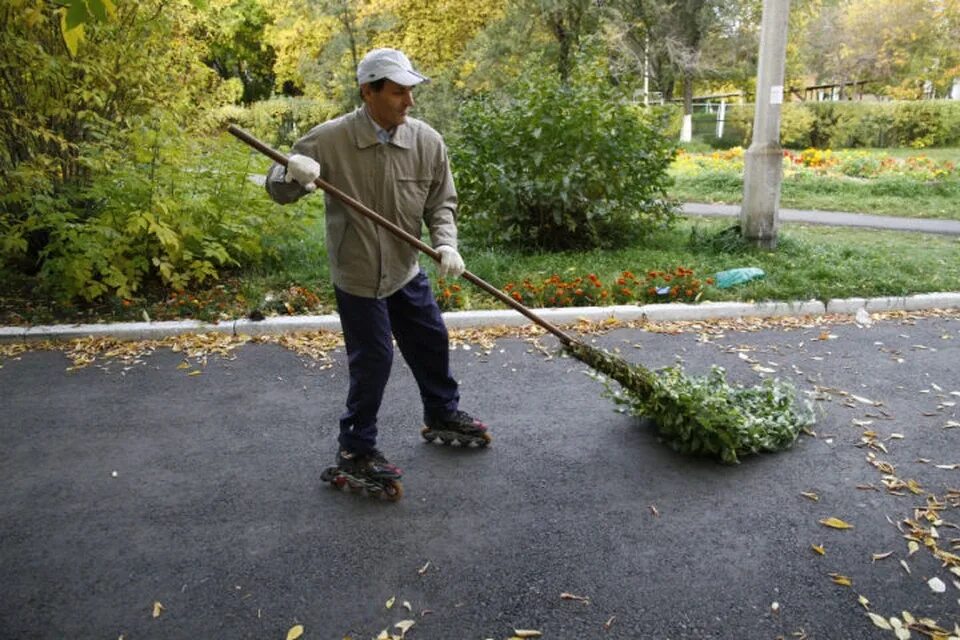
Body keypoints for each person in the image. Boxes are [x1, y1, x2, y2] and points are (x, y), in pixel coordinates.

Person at [265, 48, 489, 499]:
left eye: (411, 91)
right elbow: (278, 188)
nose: (409, 102)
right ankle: (355, 449)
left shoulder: (426, 142)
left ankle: (442, 411)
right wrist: (291, 173)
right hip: (359, 275)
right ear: (368, 92)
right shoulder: (330, 140)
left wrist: (446, 242)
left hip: (405, 269)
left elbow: (440, 202)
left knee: (430, 338)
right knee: (374, 362)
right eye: (398, 92)